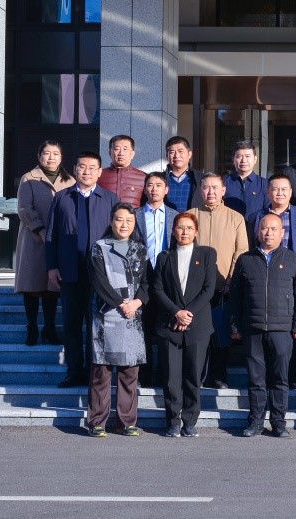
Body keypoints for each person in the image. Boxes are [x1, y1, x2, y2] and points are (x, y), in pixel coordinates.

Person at [230, 214, 296, 438]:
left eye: (274, 229)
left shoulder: (294, 259)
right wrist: (236, 326)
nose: (268, 233)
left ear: (282, 233)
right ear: (258, 231)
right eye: (264, 228)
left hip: (282, 329)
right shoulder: (246, 260)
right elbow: (235, 297)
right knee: (256, 379)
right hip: (252, 327)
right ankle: (255, 422)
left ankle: (278, 423)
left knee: (280, 379)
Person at [46, 151, 118, 388]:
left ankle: (94, 373)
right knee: (71, 324)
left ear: (99, 171)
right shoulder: (62, 197)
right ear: (75, 169)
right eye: (82, 167)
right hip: (69, 271)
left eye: (91, 168)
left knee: (96, 323)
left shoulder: (109, 199)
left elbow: (118, 235)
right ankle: (74, 371)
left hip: (99, 273)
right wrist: (52, 266)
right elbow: (51, 235)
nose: (86, 172)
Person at [149, 212, 217, 438]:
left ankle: (190, 421)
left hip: (197, 325)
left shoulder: (207, 254)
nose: (184, 232)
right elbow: (157, 289)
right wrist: (176, 313)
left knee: (193, 376)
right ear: (173, 230)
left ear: (196, 231)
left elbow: (209, 288)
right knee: (171, 378)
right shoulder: (164, 257)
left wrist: (188, 314)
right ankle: (173, 421)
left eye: (189, 228)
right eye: (180, 227)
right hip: (169, 325)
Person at [84, 203, 150, 437]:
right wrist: (121, 303)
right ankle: (96, 422)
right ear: (111, 222)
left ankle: (126, 422)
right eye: (119, 220)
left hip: (132, 318)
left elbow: (147, 282)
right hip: (106, 316)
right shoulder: (99, 247)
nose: (124, 225)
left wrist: (137, 302)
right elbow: (99, 281)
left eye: (129, 221)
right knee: (101, 373)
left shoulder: (140, 249)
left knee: (129, 373)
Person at [188, 173, 249, 389]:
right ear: (200, 190)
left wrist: (230, 281)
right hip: (195, 289)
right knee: (197, 336)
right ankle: (196, 377)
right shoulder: (191, 216)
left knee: (221, 335)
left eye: (215, 187)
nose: (211, 192)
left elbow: (241, 252)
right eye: (206, 187)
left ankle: (219, 376)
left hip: (223, 288)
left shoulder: (235, 218)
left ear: (223, 191)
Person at [262, 173, 296, 391]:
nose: (279, 193)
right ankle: (269, 377)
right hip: (268, 281)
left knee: (294, 330)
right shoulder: (259, 216)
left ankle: (291, 376)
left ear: (291, 192)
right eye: (275, 189)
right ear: (268, 192)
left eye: (284, 189)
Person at [15, 140, 74, 346]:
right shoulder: (29, 178)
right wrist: (40, 229)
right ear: (39, 156)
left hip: (58, 240)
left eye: (55, 154)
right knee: (32, 284)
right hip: (33, 238)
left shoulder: (69, 180)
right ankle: (31, 328)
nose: (51, 158)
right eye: (47, 153)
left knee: (52, 286)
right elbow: (24, 208)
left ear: (61, 157)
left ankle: (49, 328)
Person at [134, 171, 176, 387]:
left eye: (159, 185)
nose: (154, 189)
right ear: (144, 189)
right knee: (143, 328)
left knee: (165, 328)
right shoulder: (135, 215)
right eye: (150, 185)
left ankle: (164, 374)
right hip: (142, 277)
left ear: (166, 189)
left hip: (166, 278)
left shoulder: (176, 216)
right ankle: (144, 374)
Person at [223, 140, 270, 230]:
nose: (243, 160)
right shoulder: (224, 182)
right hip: (229, 231)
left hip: (255, 232)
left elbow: (268, 210)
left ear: (255, 159)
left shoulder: (264, 184)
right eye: (239, 156)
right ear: (233, 159)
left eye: (248, 156)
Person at [97, 134, 147, 206]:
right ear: (110, 153)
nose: (121, 153)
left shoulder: (144, 177)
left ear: (132, 154)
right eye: (117, 149)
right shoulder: (98, 175)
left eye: (125, 149)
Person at [165, 136, 200, 212]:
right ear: (167, 156)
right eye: (172, 152)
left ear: (189, 154)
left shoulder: (200, 179)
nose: (176, 156)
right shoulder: (160, 179)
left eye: (180, 151)